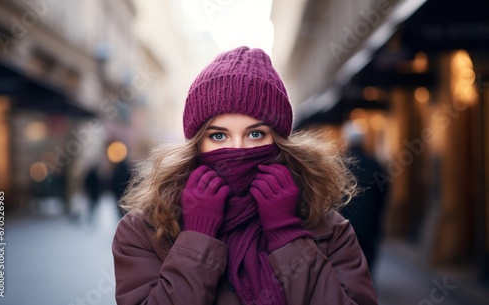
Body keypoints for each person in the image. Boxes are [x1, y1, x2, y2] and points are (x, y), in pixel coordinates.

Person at [112, 46, 378, 305]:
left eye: (255, 134)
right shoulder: (145, 230)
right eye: (218, 135)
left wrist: (287, 235)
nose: (237, 149)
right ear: (196, 143)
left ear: (279, 141)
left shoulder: (329, 229)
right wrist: (197, 238)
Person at [340, 123, 388, 276]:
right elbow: (383, 196)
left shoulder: (340, 165)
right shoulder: (375, 165)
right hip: (369, 226)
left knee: (345, 268)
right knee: (367, 267)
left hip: (343, 227)